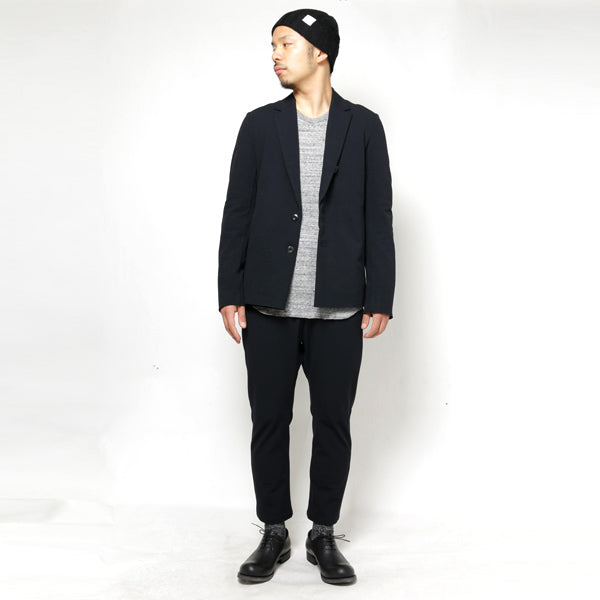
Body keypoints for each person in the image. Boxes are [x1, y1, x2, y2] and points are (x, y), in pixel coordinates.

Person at [217, 8, 395, 586]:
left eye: (286, 43)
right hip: (267, 303)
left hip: (339, 305)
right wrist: (229, 291)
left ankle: (323, 533)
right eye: (273, 44)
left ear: (320, 52)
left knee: (333, 421)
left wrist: (380, 295)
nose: (275, 54)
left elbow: (378, 216)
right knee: (269, 420)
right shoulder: (259, 125)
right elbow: (237, 212)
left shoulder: (364, 126)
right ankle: (274, 531)